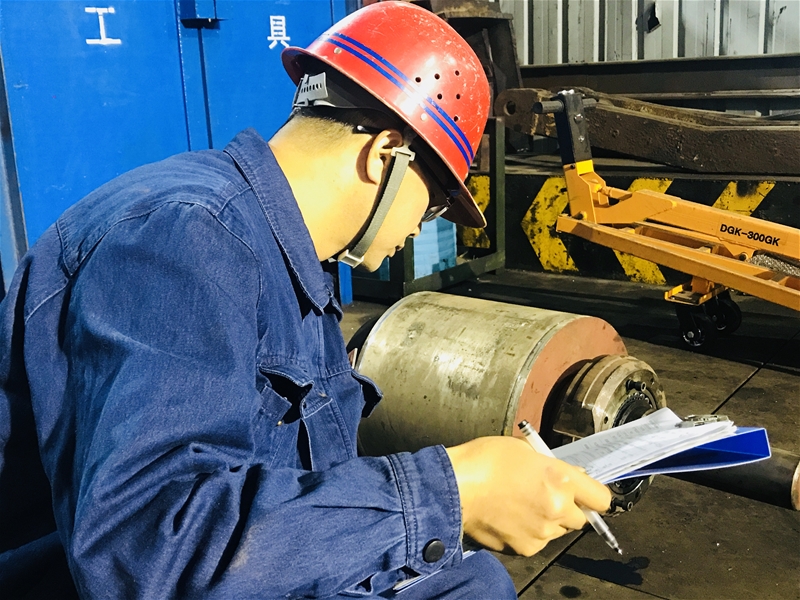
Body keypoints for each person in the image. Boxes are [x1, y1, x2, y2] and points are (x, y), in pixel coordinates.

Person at [0, 2, 611, 598]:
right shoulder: (187, 238)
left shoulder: (287, 259)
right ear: (386, 155)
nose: (420, 228)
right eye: (433, 205)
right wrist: (451, 490)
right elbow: (147, 549)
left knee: (472, 580)